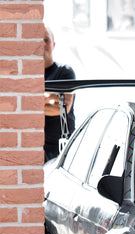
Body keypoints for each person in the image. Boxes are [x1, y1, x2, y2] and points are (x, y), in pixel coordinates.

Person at [44, 26, 76, 161]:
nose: (42, 44)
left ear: (53, 44)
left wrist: (31, 105)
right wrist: (50, 97)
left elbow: (63, 107)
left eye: (46, 40)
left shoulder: (65, 72)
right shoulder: (27, 76)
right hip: (33, 147)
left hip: (61, 151)